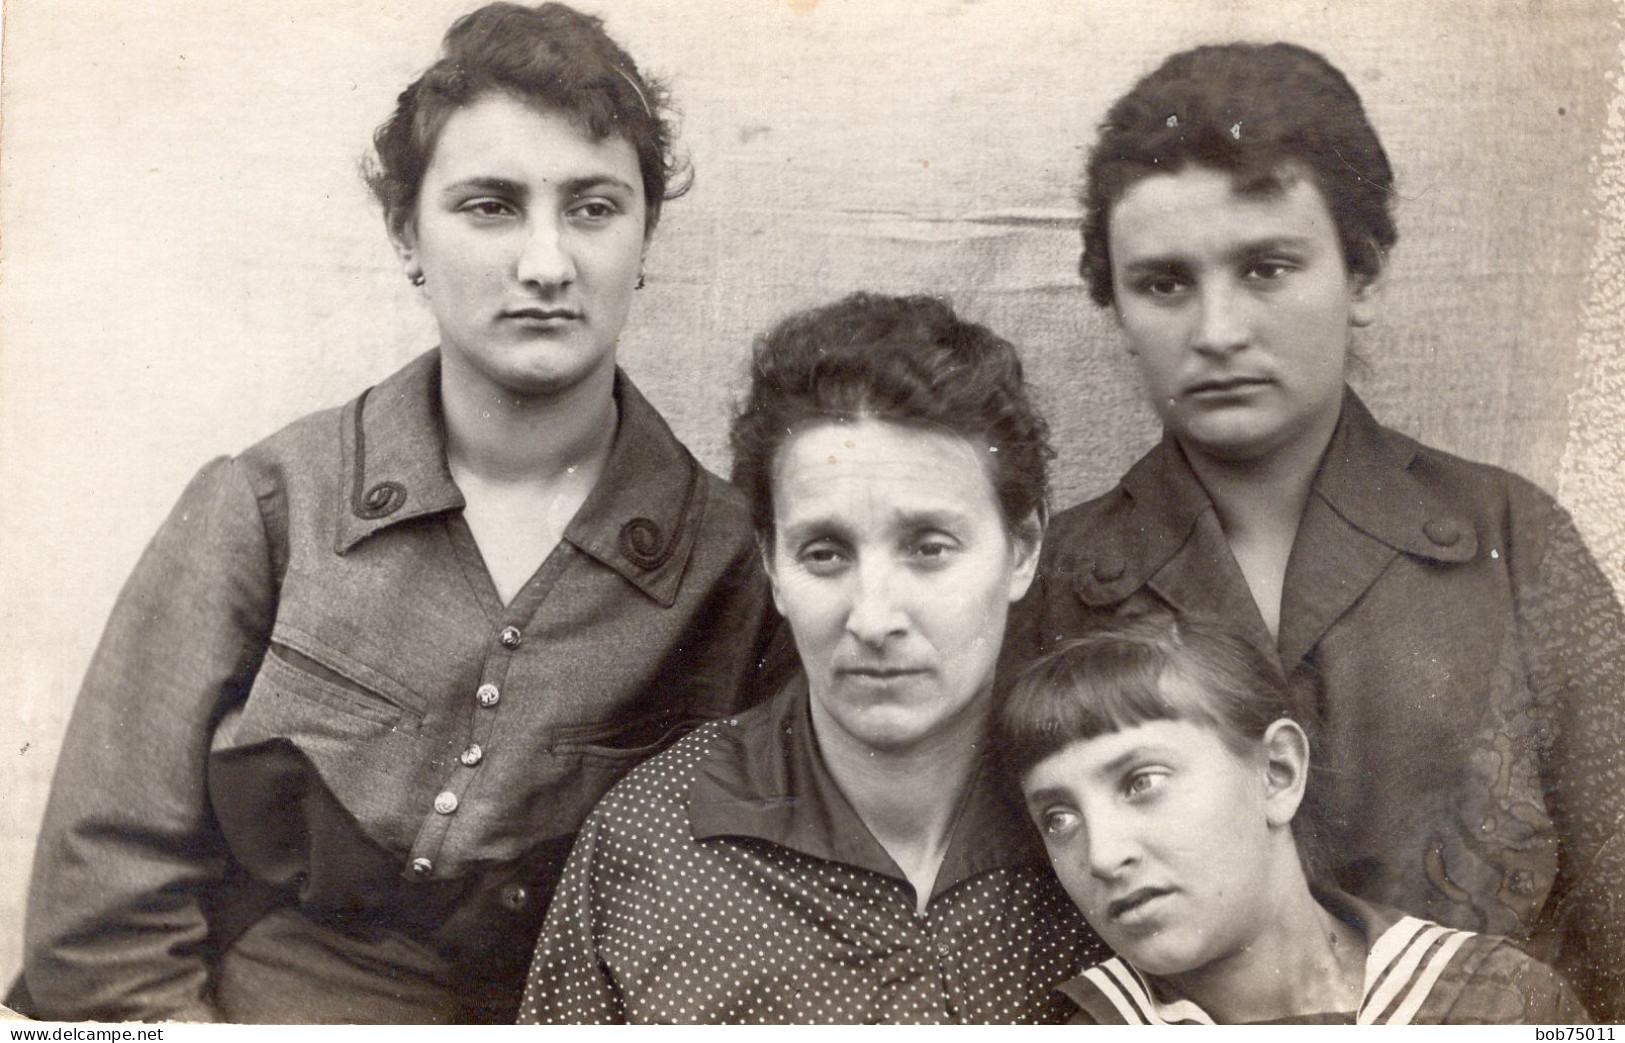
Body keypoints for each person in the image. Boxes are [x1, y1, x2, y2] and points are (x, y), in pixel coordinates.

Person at [18, 2, 787, 1023]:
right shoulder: (266, 506)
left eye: (593, 208)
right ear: (405, 234)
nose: (547, 263)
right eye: (490, 205)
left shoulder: (736, 566)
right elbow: (101, 908)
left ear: (645, 235)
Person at [1001, 41, 1625, 1018]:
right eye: (1162, 283)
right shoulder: (1051, 583)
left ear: (1361, 273)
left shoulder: (1510, 541)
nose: (1215, 329)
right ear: (1115, 307)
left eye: (1265, 267)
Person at [520, 292, 1103, 1024]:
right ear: (771, 563)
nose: (874, 617)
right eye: (824, 553)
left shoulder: (1114, 816)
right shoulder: (651, 839)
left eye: (928, 548)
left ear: (1021, 549)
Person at [998, 613, 1592, 1025]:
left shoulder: (1499, 1000)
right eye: (1058, 818)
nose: (1102, 856)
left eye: (1141, 782)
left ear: (1277, 772)